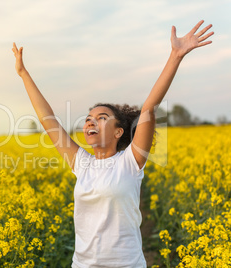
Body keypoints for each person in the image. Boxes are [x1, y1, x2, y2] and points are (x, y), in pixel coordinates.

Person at [12, 20, 213, 267]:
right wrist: (23, 73)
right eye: (88, 119)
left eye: (101, 118)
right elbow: (48, 120)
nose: (90, 123)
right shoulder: (81, 164)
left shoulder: (130, 162)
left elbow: (149, 108)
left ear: (119, 131)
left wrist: (175, 56)